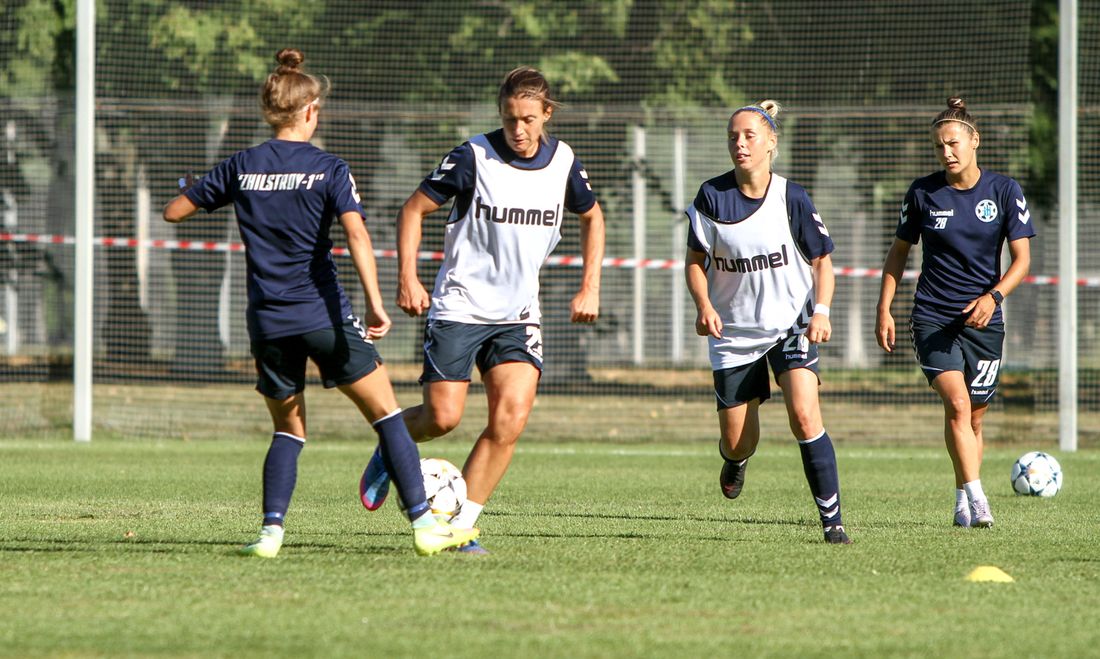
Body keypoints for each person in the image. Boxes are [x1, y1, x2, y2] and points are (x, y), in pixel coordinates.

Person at [162, 48, 478, 558]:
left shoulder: (242, 165)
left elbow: (174, 212)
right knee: (388, 416)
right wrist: (376, 303)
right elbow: (354, 233)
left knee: (288, 429)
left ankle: (270, 534)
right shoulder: (329, 168)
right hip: (322, 315)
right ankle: (425, 525)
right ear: (309, 111)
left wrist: (197, 185)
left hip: (267, 321)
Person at [359, 66, 606, 554]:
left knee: (509, 421)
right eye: (511, 118)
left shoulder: (564, 163)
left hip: (517, 315)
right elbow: (412, 210)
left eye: (530, 119)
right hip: (460, 307)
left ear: (547, 115)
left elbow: (592, 217)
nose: (519, 129)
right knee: (442, 418)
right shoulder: (473, 156)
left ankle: (459, 527)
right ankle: (390, 448)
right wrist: (407, 278)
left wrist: (589, 286)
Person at [684, 100, 851, 544]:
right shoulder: (711, 197)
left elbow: (823, 261)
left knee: (803, 413)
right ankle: (736, 460)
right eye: (733, 137)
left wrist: (821, 312)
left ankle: (832, 523)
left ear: (771, 143)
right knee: (738, 440)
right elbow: (694, 264)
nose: (740, 144)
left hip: (790, 325)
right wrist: (704, 304)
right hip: (733, 334)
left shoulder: (791, 197)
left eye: (749, 135)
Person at [876, 97, 1034, 529]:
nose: (946, 153)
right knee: (958, 404)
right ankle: (980, 500)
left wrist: (993, 298)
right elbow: (898, 254)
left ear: (973, 141)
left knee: (973, 418)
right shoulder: (923, 192)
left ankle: (962, 495)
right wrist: (884, 307)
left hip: (984, 321)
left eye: (952, 144)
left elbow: (1021, 261)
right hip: (932, 317)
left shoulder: (1004, 191)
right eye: (940, 146)